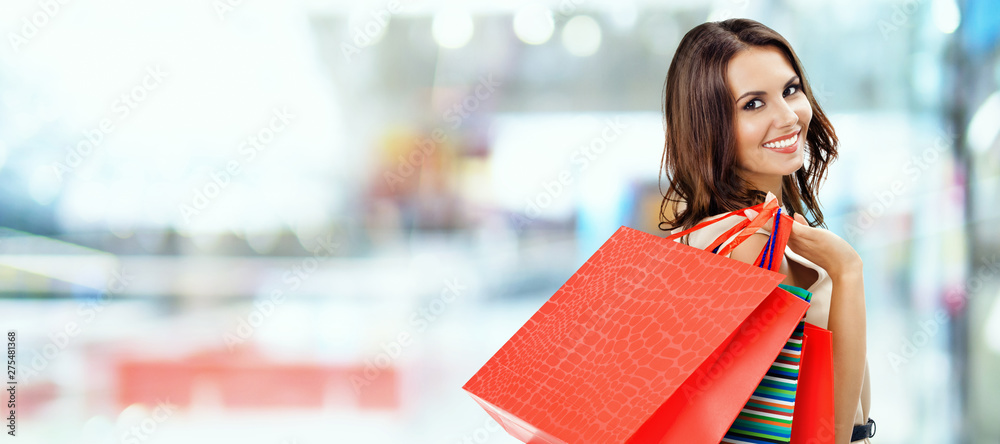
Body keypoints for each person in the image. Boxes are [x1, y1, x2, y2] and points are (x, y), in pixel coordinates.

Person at [657, 19, 874, 443]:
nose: (789, 115)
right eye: (753, 104)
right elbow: (825, 434)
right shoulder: (749, 243)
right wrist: (846, 270)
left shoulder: (705, 236)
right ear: (708, 125)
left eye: (791, 90)